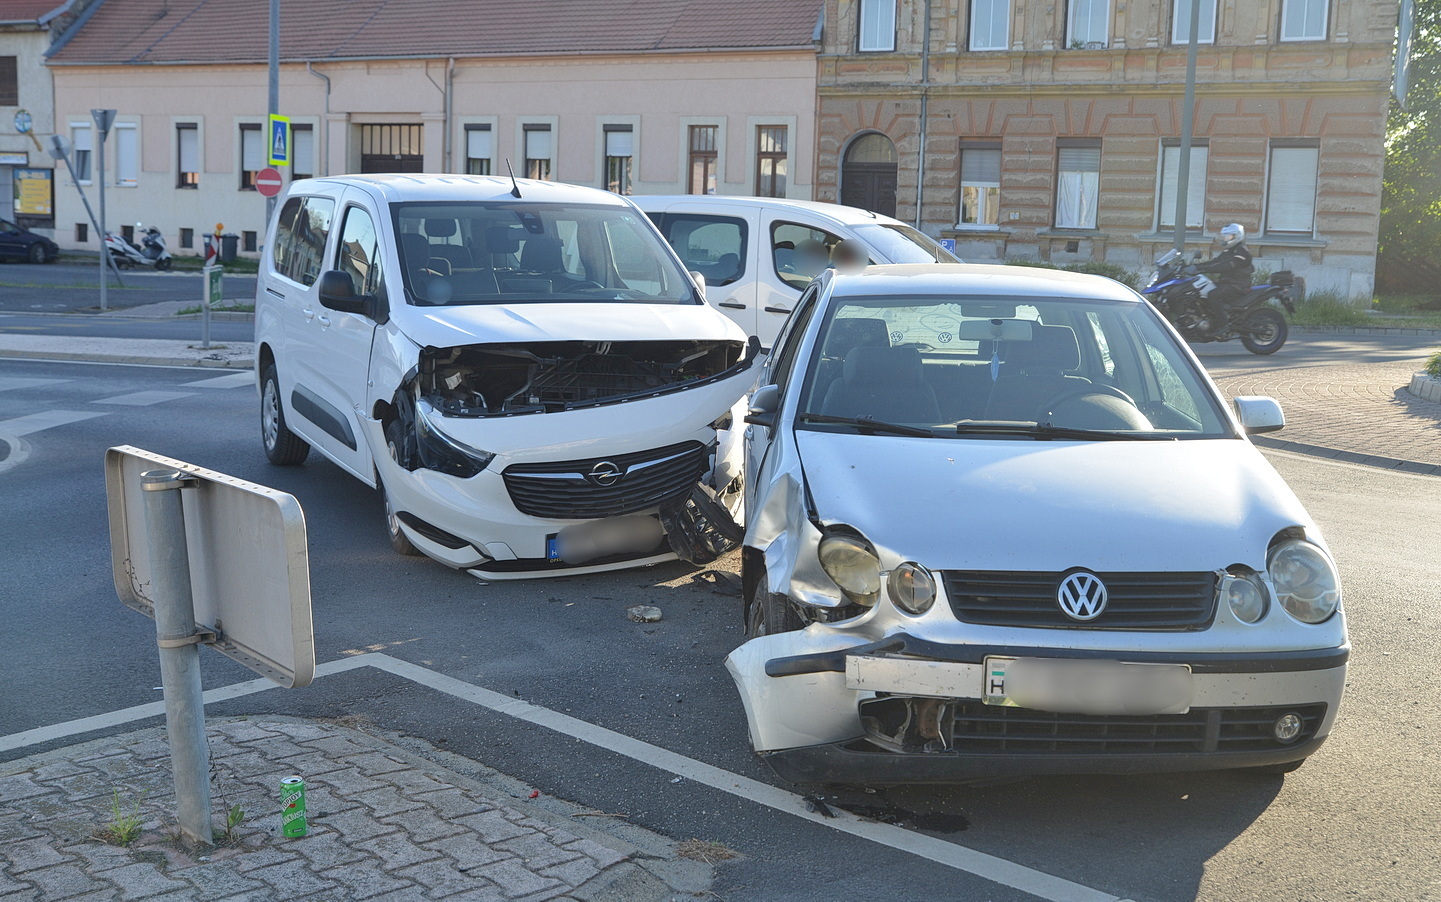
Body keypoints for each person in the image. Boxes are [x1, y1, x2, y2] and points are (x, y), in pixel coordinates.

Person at [1192, 222, 1253, 333]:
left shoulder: (1242, 251)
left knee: (1213, 295)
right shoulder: (1228, 251)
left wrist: (1203, 269)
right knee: (1201, 291)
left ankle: (1223, 325)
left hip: (1238, 284)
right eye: (1224, 236)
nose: (1225, 238)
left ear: (1237, 236)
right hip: (1227, 283)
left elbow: (1225, 266)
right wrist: (1195, 267)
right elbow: (1215, 262)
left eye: (1228, 236)